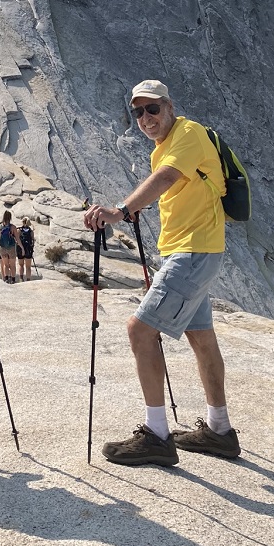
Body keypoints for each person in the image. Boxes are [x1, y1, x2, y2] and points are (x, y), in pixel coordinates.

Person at [83, 79, 240, 467]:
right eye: (137, 112)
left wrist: (120, 210)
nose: (145, 118)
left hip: (193, 251)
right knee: (201, 337)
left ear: (170, 107)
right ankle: (220, 431)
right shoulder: (163, 148)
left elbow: (167, 178)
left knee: (140, 330)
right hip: (191, 250)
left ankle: (157, 435)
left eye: (152, 108)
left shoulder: (189, 133)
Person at [0, 211, 19, 283]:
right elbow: (17, 238)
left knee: (6, 265)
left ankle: (6, 279)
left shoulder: (0, 227)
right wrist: (22, 247)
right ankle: (13, 279)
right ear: (10, 217)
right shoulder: (13, 227)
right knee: (12, 265)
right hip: (11, 248)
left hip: (2, 248)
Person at [17, 217, 35, 282]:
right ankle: (28, 279)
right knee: (28, 267)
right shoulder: (31, 231)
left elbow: (17, 240)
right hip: (28, 250)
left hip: (20, 250)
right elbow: (33, 241)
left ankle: (21, 278)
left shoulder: (19, 230)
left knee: (21, 265)